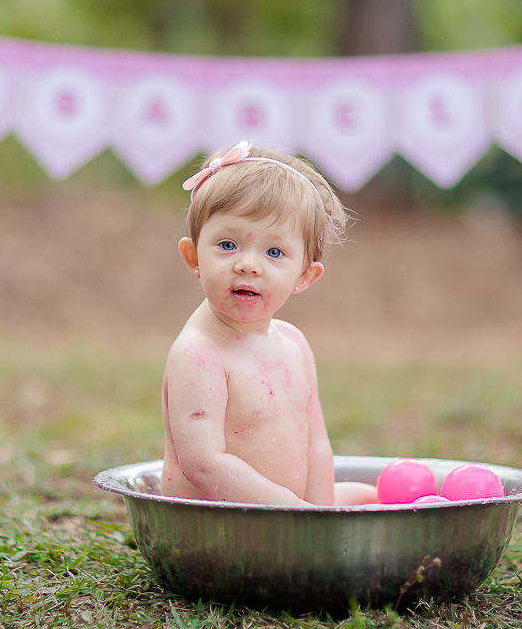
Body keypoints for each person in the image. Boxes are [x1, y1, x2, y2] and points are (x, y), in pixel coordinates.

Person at [160, 141, 377, 506]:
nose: (248, 265)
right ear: (193, 256)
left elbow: (315, 444)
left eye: (274, 252)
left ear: (304, 276)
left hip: (288, 516)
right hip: (217, 522)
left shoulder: (293, 343)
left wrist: (319, 516)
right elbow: (204, 465)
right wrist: (295, 512)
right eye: (227, 244)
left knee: (371, 497)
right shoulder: (199, 353)